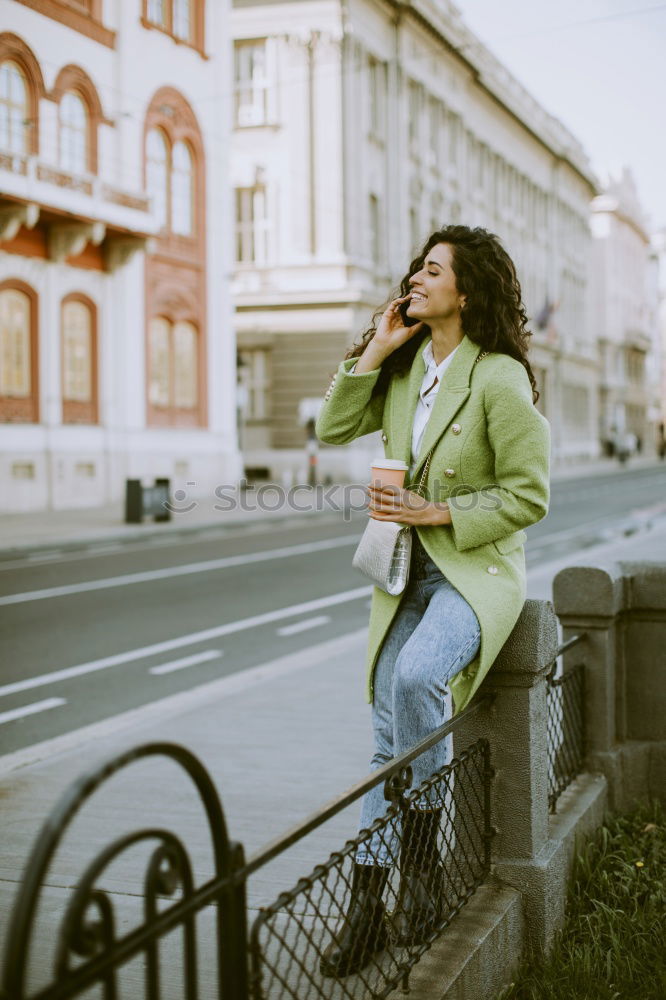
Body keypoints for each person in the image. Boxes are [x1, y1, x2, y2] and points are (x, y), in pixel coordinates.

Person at [314, 225, 551, 978]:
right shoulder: (406, 365)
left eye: (434, 270)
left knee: (415, 679)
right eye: (417, 265)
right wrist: (376, 350)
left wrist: (441, 513)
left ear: (466, 292)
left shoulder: (499, 377)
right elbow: (331, 425)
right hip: (403, 574)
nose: (417, 276)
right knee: (387, 738)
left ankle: (419, 872)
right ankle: (369, 904)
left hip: (471, 574)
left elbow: (529, 495)